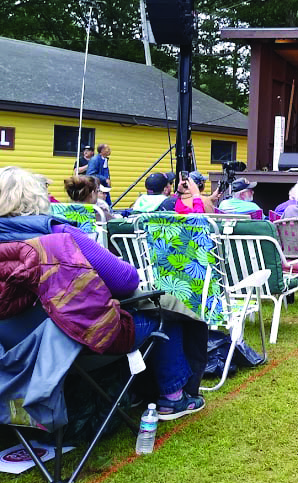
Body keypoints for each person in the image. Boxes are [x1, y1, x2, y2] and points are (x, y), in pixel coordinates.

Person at [0, 166, 206, 420]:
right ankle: (172, 399)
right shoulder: (58, 236)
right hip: (73, 344)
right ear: (38, 197)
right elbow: (126, 280)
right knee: (165, 315)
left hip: (11, 346)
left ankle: (129, 394)